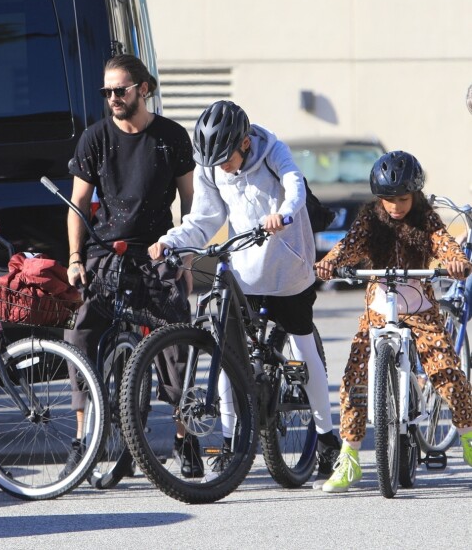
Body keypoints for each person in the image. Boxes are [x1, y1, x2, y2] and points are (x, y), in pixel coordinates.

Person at [149, 100, 340, 486]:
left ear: (245, 144)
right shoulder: (211, 165)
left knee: (304, 349)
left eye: (226, 159)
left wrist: (283, 216)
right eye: (214, 161)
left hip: (288, 267)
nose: (222, 168)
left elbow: (294, 187)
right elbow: (204, 220)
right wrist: (170, 241)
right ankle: (234, 441)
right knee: (228, 352)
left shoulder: (272, 150)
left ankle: (326, 438)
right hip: (245, 267)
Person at [64, 54, 200, 477]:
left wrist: (187, 252)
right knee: (80, 332)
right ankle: (83, 437)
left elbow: (191, 201)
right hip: (107, 250)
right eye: (106, 92)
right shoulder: (95, 138)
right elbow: (78, 205)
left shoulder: (171, 137)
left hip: (159, 249)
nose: (113, 98)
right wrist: (74, 258)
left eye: (120, 90)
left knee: (176, 338)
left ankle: (185, 436)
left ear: (144, 88)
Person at [315, 150, 472, 493]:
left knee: (447, 371)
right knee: (354, 377)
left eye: (402, 199)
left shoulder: (426, 220)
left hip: (419, 307)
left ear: (414, 195)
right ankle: (350, 457)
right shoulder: (370, 220)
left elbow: (444, 245)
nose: (396, 206)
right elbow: (348, 246)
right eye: (388, 200)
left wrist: (456, 260)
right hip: (377, 309)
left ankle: (468, 436)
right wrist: (330, 261)